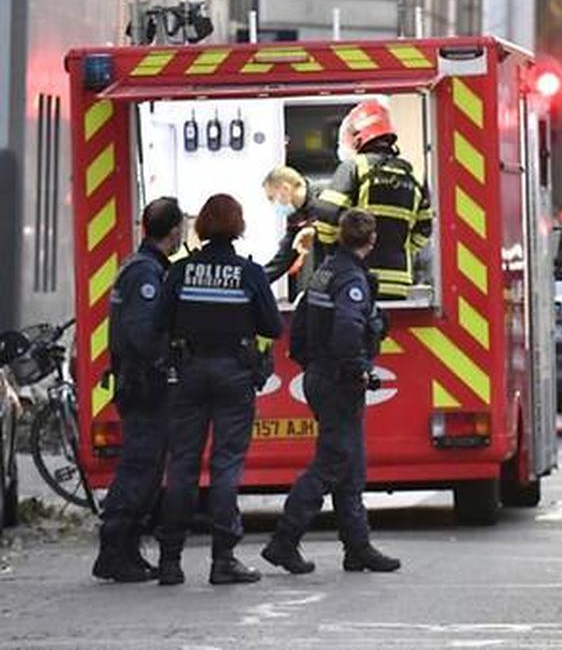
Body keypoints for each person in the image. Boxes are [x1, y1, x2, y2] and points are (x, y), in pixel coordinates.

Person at [261, 209, 401, 576]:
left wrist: (311, 363)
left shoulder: (323, 271)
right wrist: (358, 370)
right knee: (331, 463)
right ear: (371, 242)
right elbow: (347, 328)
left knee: (350, 465)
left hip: (321, 375)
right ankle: (284, 541)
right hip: (339, 380)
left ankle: (357, 547)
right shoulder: (351, 278)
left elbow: (303, 321)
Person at [154, 194, 283, 586]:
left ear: (203, 226)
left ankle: (170, 561)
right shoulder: (249, 273)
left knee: (182, 465)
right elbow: (273, 327)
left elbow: (161, 320)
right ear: (238, 225)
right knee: (226, 464)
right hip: (234, 374)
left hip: (189, 373)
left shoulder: (181, 271)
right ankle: (223, 559)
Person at [93, 198, 186, 583]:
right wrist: (167, 360)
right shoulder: (147, 274)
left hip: (139, 383)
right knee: (140, 469)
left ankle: (126, 550)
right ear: (174, 231)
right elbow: (143, 333)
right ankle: (114, 551)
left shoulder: (142, 267)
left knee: (144, 469)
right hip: (145, 386)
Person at [313, 99, 433, 300]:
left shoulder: (355, 167)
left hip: (357, 278)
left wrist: (337, 251)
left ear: (357, 138)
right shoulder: (409, 174)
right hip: (398, 282)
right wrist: (400, 249)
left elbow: (326, 215)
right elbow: (425, 227)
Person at [261, 165, 324, 285]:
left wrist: (315, 230)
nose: (272, 203)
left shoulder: (327, 197)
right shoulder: (296, 214)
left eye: (271, 198)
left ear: (285, 189)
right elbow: (285, 256)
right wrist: (256, 281)